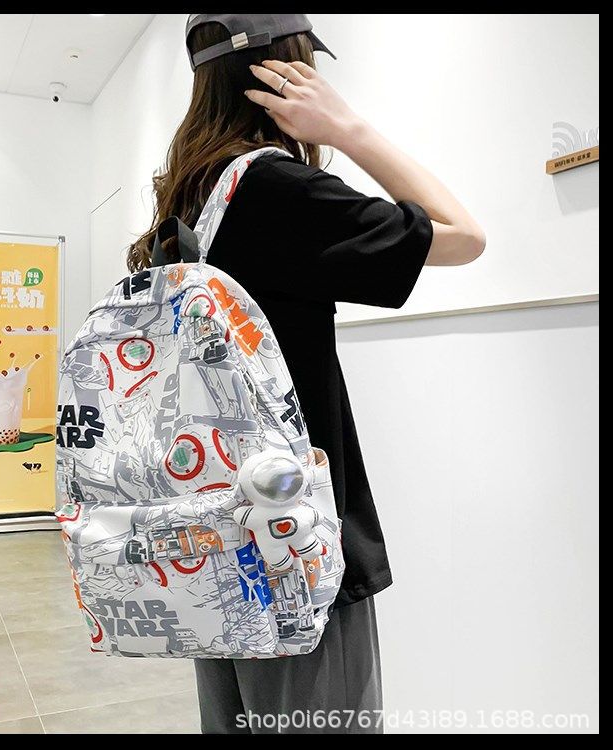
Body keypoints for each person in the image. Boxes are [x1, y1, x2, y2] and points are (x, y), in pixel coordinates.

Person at [127, 14, 485, 735]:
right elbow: (464, 236)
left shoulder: (188, 196)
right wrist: (350, 130)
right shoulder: (276, 188)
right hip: (297, 539)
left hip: (211, 531)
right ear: (283, 71)